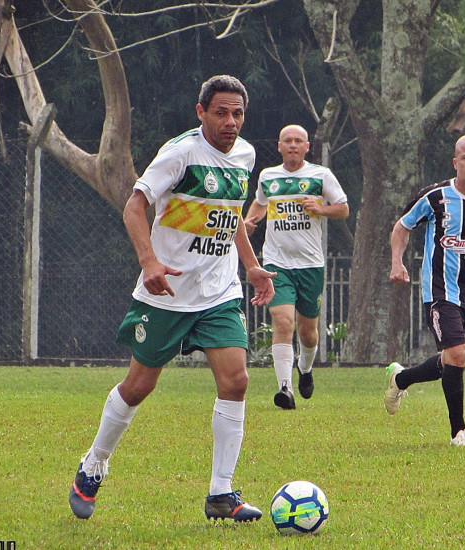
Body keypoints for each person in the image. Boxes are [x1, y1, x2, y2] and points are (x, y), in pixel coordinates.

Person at [68, 75, 276, 523]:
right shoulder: (179, 153)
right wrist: (149, 263)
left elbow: (232, 213)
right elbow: (134, 206)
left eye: (238, 113)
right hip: (165, 292)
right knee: (139, 386)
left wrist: (251, 264)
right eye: (220, 112)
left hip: (218, 293)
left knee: (236, 380)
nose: (231, 121)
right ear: (200, 112)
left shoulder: (245, 155)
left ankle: (221, 494)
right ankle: (94, 463)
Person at [384, 134, 465, 447]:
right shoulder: (436, 197)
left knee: (454, 360)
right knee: (457, 354)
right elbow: (402, 226)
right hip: (439, 290)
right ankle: (459, 433)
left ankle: (401, 379)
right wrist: (397, 262)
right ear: (455, 162)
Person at [244, 125, 349, 409]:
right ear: (279, 146)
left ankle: (305, 368)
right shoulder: (269, 176)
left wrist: (321, 208)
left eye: (298, 141)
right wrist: (249, 222)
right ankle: (284, 389)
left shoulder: (320, 175)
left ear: (306, 147)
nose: (292, 145)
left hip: (310, 264)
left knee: (308, 331)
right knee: (282, 322)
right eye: (287, 141)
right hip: (277, 262)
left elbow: (343, 208)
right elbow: (260, 203)